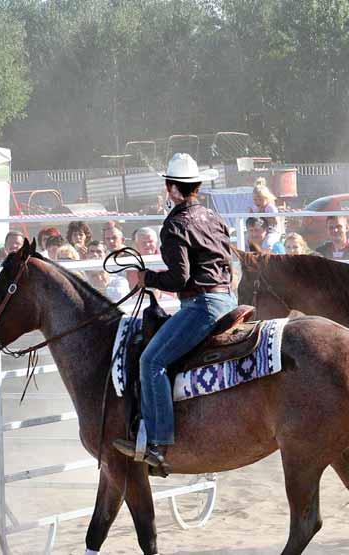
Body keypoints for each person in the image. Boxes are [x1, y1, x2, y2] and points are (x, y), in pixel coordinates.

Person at [113, 153, 236, 472]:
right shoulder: (213, 217)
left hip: (202, 305)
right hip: (227, 299)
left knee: (150, 361)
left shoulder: (175, 225)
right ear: (196, 186)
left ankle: (157, 441)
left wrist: (146, 279)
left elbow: (179, 278)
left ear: (171, 188)